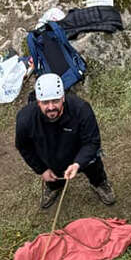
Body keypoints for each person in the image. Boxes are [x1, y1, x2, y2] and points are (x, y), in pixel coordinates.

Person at [15, 73, 116, 209]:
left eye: (55, 100)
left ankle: (99, 182)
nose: (51, 107)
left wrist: (78, 164)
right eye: (45, 102)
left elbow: (92, 142)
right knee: (52, 173)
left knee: (93, 165)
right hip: (50, 156)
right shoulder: (25, 119)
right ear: (38, 101)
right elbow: (24, 146)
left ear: (63, 98)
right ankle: (54, 186)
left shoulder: (81, 109)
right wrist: (42, 170)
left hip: (80, 152)